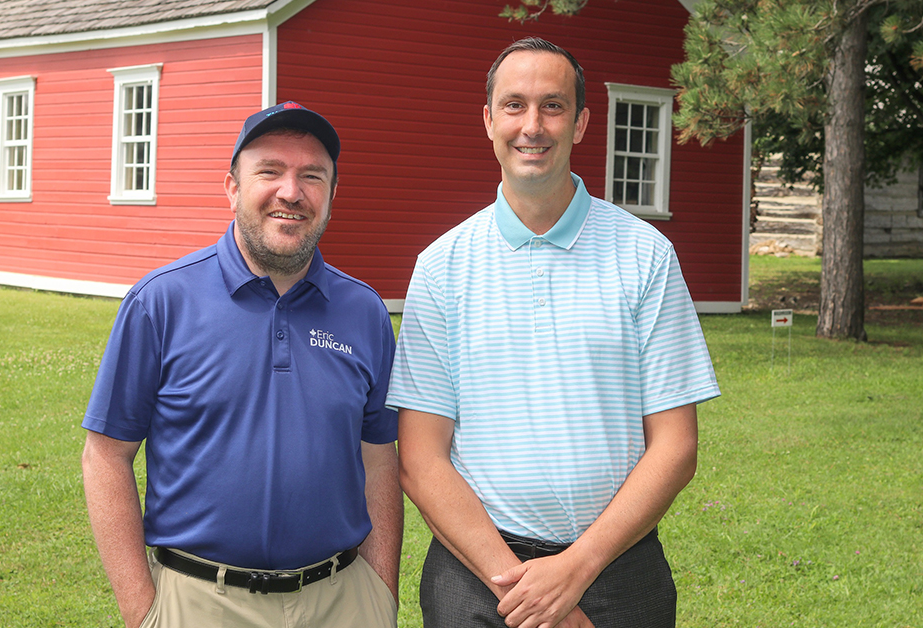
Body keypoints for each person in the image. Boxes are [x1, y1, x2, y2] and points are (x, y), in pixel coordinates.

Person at [388, 38, 720, 628]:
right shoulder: (442, 267)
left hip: (619, 569)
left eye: (553, 106)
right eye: (513, 105)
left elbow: (676, 446)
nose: (532, 126)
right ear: (488, 120)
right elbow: (419, 455)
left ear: (583, 122)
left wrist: (574, 571)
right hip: (477, 575)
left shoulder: (646, 256)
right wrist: (526, 591)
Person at [81, 101, 402, 628]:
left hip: (342, 601)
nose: (291, 192)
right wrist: (144, 612)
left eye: (312, 176)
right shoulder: (161, 303)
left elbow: (379, 459)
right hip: (201, 603)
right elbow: (106, 457)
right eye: (269, 171)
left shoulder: (364, 312)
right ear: (232, 187)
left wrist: (379, 595)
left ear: (332, 195)